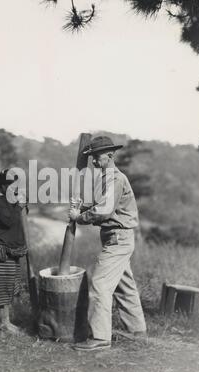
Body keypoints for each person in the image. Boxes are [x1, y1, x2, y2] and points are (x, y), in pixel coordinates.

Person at [69, 136, 147, 351]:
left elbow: (103, 211)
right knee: (125, 285)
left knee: (100, 284)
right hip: (117, 237)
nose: (94, 161)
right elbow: (101, 203)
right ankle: (137, 330)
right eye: (92, 157)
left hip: (118, 238)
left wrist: (79, 217)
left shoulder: (114, 178)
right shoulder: (106, 177)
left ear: (110, 155)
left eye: (97, 156)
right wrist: (83, 206)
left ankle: (100, 338)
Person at [0, 168, 27, 334]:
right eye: (11, 186)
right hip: (0, 251)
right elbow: (8, 220)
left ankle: (6, 321)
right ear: (2, 185)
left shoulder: (6, 198)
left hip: (11, 250)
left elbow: (18, 215)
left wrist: (19, 204)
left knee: (9, 286)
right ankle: (3, 323)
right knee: (0, 288)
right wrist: (18, 205)